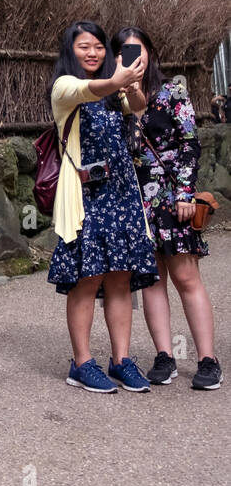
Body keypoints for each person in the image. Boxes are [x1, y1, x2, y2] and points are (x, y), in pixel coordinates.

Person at [47, 21, 156, 394]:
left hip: (121, 193)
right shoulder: (64, 87)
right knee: (86, 278)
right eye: (83, 47)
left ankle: (121, 359)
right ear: (70, 51)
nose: (92, 53)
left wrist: (133, 82)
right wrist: (117, 79)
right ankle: (82, 362)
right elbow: (91, 89)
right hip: (85, 197)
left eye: (97, 47)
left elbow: (138, 106)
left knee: (121, 278)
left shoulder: (115, 90)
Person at [112, 27, 221, 390]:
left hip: (175, 198)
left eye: (137, 52)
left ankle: (207, 358)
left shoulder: (173, 91)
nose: (132, 60)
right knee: (152, 280)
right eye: (123, 54)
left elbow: (190, 143)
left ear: (150, 53)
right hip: (136, 200)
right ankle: (164, 355)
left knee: (186, 277)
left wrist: (187, 193)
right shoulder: (114, 97)